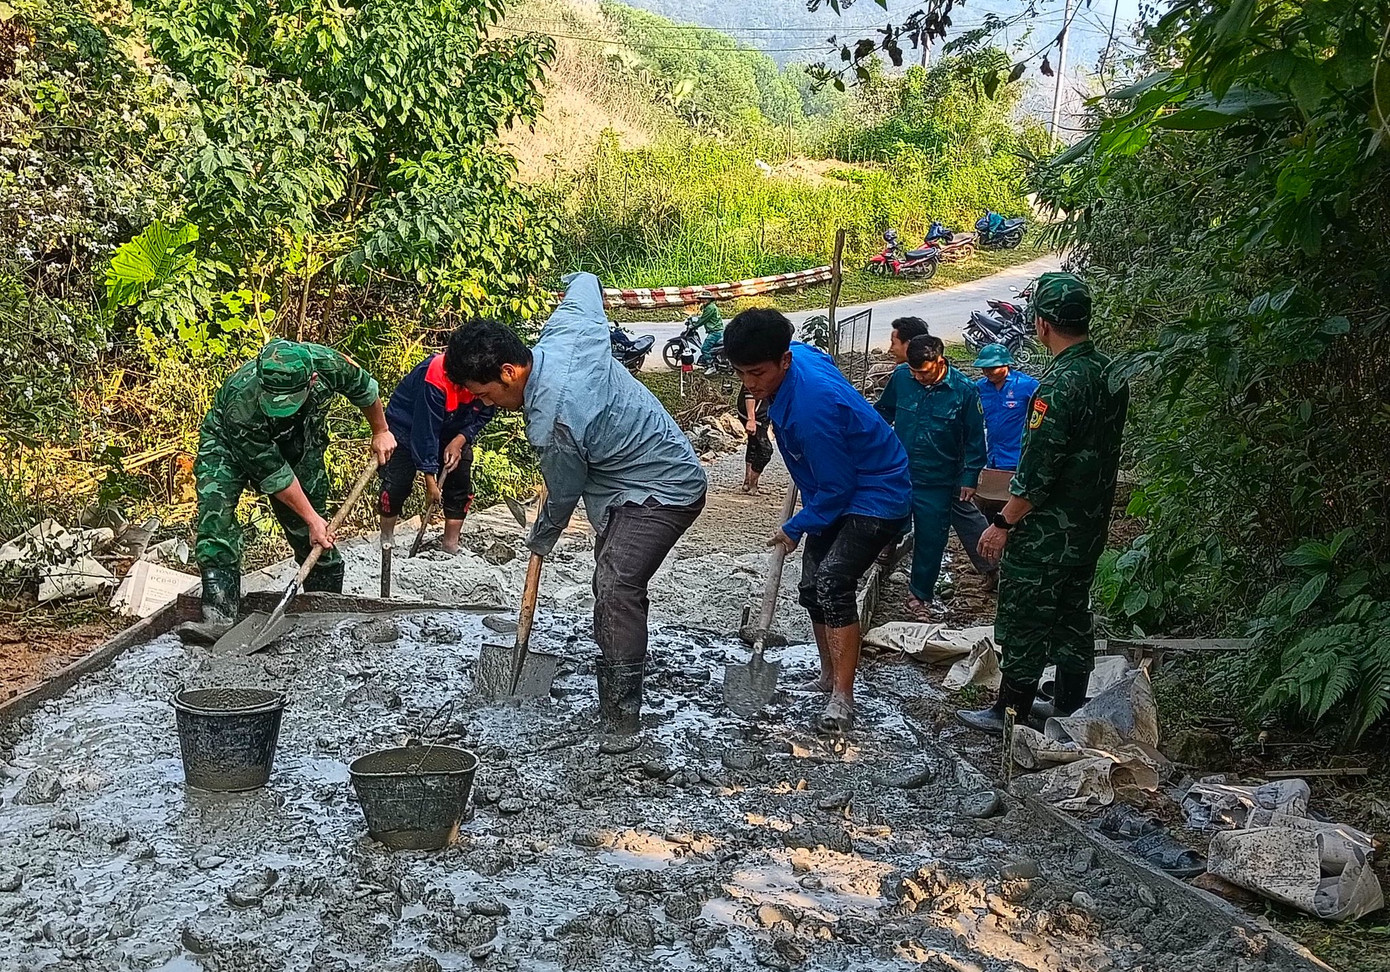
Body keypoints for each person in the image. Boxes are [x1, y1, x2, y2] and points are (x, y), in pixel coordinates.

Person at [451, 273, 708, 744]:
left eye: (485, 393)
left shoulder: (554, 419)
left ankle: (620, 720)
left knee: (614, 582)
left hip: (663, 487)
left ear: (509, 371)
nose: (485, 403)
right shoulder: (566, 332)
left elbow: (562, 495)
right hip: (621, 480)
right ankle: (615, 652)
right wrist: (575, 277)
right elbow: (586, 285)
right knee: (610, 574)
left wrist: (540, 538)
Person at [725, 308, 911, 733]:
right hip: (834, 485)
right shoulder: (801, 356)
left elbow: (837, 490)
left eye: (757, 373)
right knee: (811, 587)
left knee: (833, 581)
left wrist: (794, 528)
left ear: (784, 361)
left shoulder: (812, 411)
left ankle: (843, 697)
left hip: (876, 491)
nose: (749, 384)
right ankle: (826, 678)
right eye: (741, 373)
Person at [959, 273, 1129, 732]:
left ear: (1042, 325)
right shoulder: (1109, 374)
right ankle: (1069, 705)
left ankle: (1008, 711)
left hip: (1048, 531)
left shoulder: (1056, 387)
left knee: (1024, 617)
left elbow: (1037, 472)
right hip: (1088, 525)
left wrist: (1004, 524)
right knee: (1073, 613)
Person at [177, 339, 397, 644]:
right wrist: (310, 517)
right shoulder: (241, 400)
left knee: (314, 531)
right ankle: (220, 613)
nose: (279, 410)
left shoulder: (330, 364)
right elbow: (273, 473)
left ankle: (324, 606)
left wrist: (380, 430)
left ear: (312, 380)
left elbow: (365, 390)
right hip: (228, 444)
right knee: (217, 515)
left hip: (300, 441)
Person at [875, 333, 988, 619]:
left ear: (939, 361)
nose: (919, 378)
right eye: (914, 372)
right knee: (883, 519)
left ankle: (919, 595)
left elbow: (975, 440)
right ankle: (883, 553)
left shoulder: (964, 391)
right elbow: (882, 413)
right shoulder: (902, 378)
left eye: (923, 372)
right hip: (899, 472)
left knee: (931, 538)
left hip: (938, 478)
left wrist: (970, 477)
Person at [377, 330, 497, 555]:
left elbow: (484, 413)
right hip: (407, 426)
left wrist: (460, 440)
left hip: (453, 428)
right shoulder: (434, 377)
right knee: (396, 482)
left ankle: (450, 544)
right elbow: (425, 431)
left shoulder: (486, 376)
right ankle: (386, 538)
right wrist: (430, 481)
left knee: (459, 479)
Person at [973, 343, 1040, 507]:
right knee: (992, 502)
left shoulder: (1026, 385)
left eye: (992, 368)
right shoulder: (980, 388)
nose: (987, 372)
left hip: (1017, 457)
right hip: (993, 458)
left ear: (1007, 364)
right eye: (984, 368)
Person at [738, 383, 773, 494]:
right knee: (765, 450)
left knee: (753, 444)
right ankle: (752, 484)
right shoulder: (763, 369)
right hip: (755, 413)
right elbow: (749, 391)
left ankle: (748, 482)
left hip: (758, 412)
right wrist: (751, 419)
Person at [693, 291, 724, 372]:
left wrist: (694, 326)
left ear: (709, 299)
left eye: (705, 299)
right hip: (718, 331)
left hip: (715, 332)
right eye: (702, 299)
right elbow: (703, 317)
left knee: (704, 349)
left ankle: (711, 366)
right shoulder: (710, 307)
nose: (703, 300)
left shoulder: (709, 308)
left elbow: (703, 319)